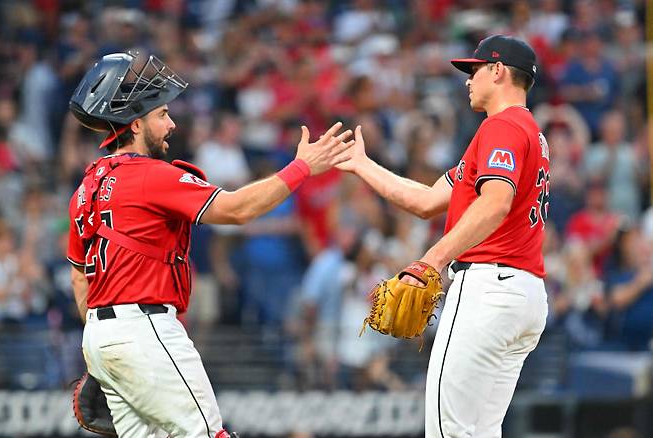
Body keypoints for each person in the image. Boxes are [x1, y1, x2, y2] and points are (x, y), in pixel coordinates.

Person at [66, 52, 352, 438]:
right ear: (135, 124)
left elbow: (81, 281)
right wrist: (301, 167)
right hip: (145, 330)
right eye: (162, 114)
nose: (171, 123)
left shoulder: (86, 188)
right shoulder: (150, 175)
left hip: (101, 337)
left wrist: (107, 348)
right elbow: (236, 210)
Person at [337, 35, 549, 437]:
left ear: (498, 70)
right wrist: (362, 165)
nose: (468, 80)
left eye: (475, 70)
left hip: (488, 287)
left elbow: (495, 202)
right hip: (522, 293)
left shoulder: (501, 127)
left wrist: (430, 260)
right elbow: (427, 200)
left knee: (448, 431)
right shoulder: (528, 131)